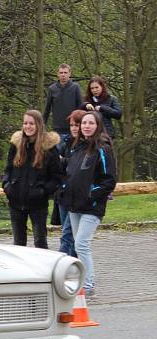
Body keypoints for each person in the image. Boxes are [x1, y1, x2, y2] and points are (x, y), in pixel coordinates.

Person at [56, 110, 116, 296]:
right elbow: (69, 171)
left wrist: (91, 194)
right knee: (75, 242)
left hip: (92, 206)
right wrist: (65, 188)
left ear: (98, 126)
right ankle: (79, 280)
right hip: (74, 205)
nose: (86, 126)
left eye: (91, 123)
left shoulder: (103, 148)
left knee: (81, 243)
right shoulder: (76, 147)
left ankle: (88, 285)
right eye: (84, 123)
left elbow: (109, 180)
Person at [1, 109, 62, 249]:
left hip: (38, 204)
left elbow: (57, 177)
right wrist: (7, 186)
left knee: (40, 242)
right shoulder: (16, 145)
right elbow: (8, 169)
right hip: (16, 201)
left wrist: (43, 191)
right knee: (18, 244)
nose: (28, 126)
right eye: (25, 123)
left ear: (39, 125)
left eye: (31, 123)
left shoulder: (49, 148)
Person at [55, 109, 87, 258]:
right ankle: (72, 263)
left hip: (77, 195)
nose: (74, 128)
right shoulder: (66, 143)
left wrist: (64, 161)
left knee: (68, 233)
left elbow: (78, 168)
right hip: (63, 192)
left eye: (77, 125)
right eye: (72, 125)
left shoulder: (86, 146)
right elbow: (57, 166)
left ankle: (63, 264)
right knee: (67, 230)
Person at [43, 64, 84, 145]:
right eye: (61, 73)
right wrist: (42, 126)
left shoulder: (75, 87)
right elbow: (47, 109)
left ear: (69, 74)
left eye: (65, 72)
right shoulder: (52, 89)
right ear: (58, 74)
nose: (63, 75)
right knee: (58, 155)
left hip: (73, 128)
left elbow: (81, 107)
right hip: (58, 129)